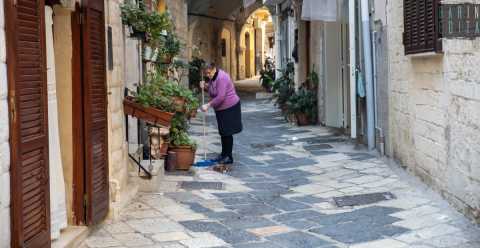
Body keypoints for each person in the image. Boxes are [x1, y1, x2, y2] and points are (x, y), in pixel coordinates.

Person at [200, 63, 242, 164]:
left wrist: (208, 105)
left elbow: (220, 97)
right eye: (206, 74)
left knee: (227, 132)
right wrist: (205, 87)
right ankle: (223, 154)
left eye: (209, 73)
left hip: (230, 107)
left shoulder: (221, 77)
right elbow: (212, 92)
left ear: (214, 69)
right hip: (221, 109)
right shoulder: (213, 78)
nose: (208, 75)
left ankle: (228, 157)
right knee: (223, 132)